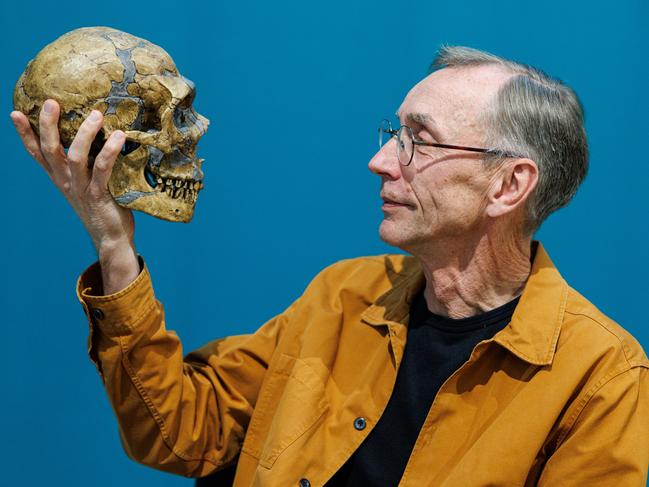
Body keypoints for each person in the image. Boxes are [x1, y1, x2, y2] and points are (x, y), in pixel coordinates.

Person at [11, 46, 648, 486]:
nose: (381, 162)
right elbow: (178, 432)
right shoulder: (343, 295)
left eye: (418, 141)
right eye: (390, 133)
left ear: (508, 187)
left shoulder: (601, 376)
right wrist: (115, 247)